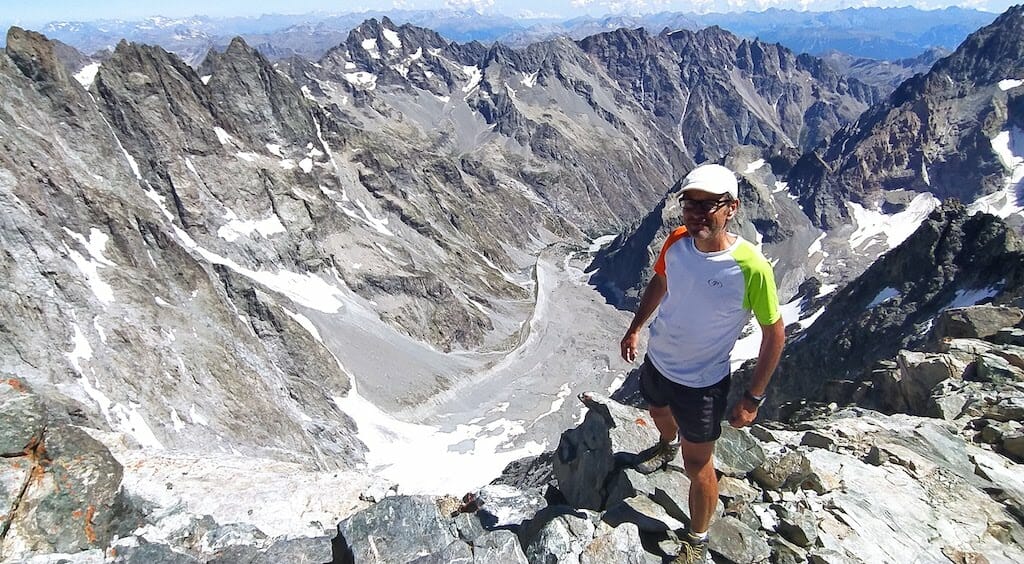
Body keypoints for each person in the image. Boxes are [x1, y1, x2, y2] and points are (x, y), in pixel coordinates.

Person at [619, 163, 785, 564]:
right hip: (659, 362)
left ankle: (697, 538)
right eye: (688, 205)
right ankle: (666, 442)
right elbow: (661, 280)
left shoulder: (751, 267)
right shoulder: (676, 241)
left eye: (707, 205)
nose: (694, 214)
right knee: (657, 410)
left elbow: (774, 334)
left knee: (699, 465)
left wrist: (753, 397)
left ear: (732, 208)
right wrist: (636, 326)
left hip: (702, 384)